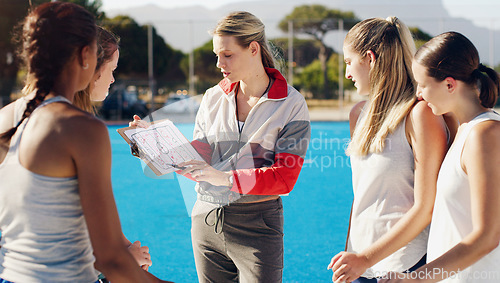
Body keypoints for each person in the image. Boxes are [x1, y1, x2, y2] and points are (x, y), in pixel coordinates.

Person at [131, 11, 310, 282]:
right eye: (217, 55)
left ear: (253, 49)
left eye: (227, 55)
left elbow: (284, 179)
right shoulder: (213, 97)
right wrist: (155, 143)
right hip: (205, 219)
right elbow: (199, 159)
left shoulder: (291, 104)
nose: (219, 63)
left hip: (257, 225)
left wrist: (226, 178)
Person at [0, 2, 156, 282]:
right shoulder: (80, 129)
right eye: (109, 66)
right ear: (87, 56)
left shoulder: (6, 118)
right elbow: (110, 259)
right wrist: (123, 260)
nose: (112, 78)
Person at [327, 17, 450, 282]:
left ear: (369, 59)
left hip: (405, 265)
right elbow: (360, 195)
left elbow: (426, 206)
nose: (347, 73)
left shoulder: (420, 114)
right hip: (360, 263)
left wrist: (365, 259)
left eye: (349, 62)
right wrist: (352, 254)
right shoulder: (358, 114)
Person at [379, 31, 500, 283]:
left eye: (422, 85)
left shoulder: (485, 134)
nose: (418, 94)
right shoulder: (465, 131)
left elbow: (487, 236)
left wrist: (414, 279)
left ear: (449, 84)